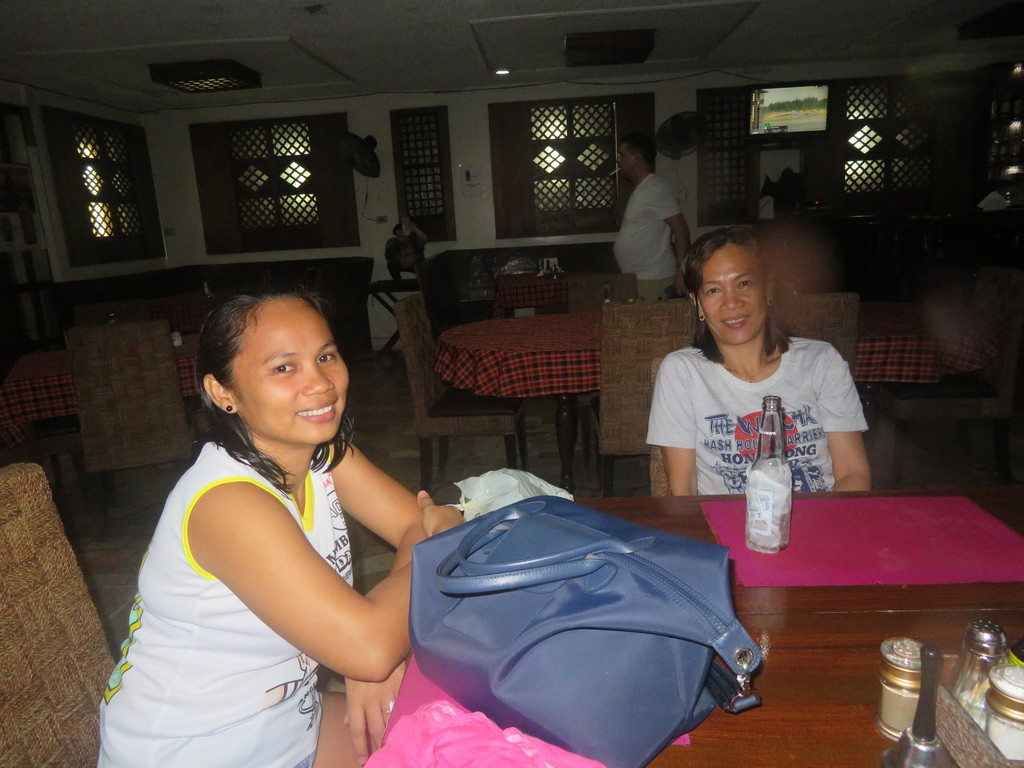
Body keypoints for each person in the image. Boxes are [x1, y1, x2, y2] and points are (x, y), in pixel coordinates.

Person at [97, 287, 465, 768]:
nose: (321, 383)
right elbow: (372, 642)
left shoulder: (322, 455)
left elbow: (415, 526)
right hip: (193, 748)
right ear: (223, 392)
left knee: (461, 732)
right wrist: (373, 639)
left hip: (288, 721)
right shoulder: (228, 503)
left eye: (325, 357)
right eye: (284, 367)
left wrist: (374, 643)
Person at [647, 225, 871, 496]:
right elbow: (683, 488)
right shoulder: (682, 372)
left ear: (768, 289)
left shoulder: (821, 362)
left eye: (744, 283)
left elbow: (853, 473)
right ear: (697, 303)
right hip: (726, 521)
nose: (732, 302)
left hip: (819, 515)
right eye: (714, 290)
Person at [613, 132, 691, 302]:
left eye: (622, 155)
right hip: (641, 279)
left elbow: (681, 230)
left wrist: (682, 271)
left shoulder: (655, 187)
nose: (618, 160)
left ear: (636, 157)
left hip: (654, 279)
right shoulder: (643, 189)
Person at [384, 215, 427, 281]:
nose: (401, 235)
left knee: (422, 267)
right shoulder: (394, 243)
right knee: (390, 265)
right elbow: (388, 255)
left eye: (402, 232)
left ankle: (422, 281)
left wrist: (414, 228)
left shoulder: (414, 241)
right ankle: (397, 282)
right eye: (398, 234)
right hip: (401, 263)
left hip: (415, 264)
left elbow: (424, 239)